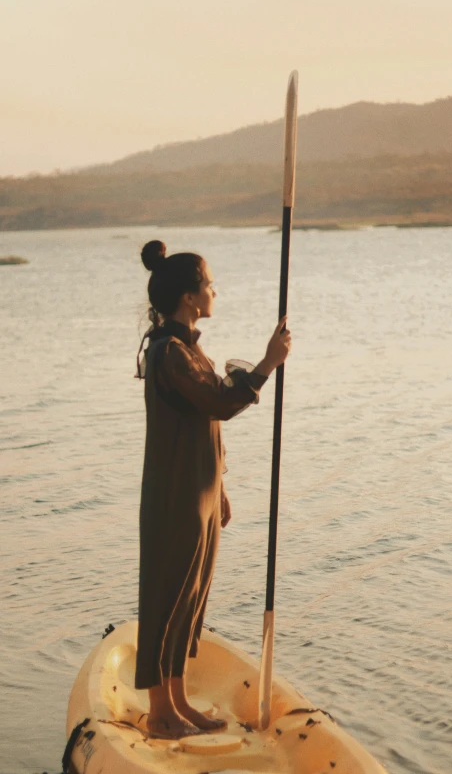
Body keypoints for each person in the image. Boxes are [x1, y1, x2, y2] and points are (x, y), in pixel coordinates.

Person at [135, 239, 291, 740]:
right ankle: (159, 715)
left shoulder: (190, 347)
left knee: (192, 596)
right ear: (187, 296)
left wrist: (220, 486)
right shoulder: (169, 353)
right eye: (208, 284)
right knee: (167, 595)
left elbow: (206, 421)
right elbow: (220, 403)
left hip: (200, 489)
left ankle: (179, 701)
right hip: (174, 494)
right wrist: (267, 364)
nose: (214, 291)